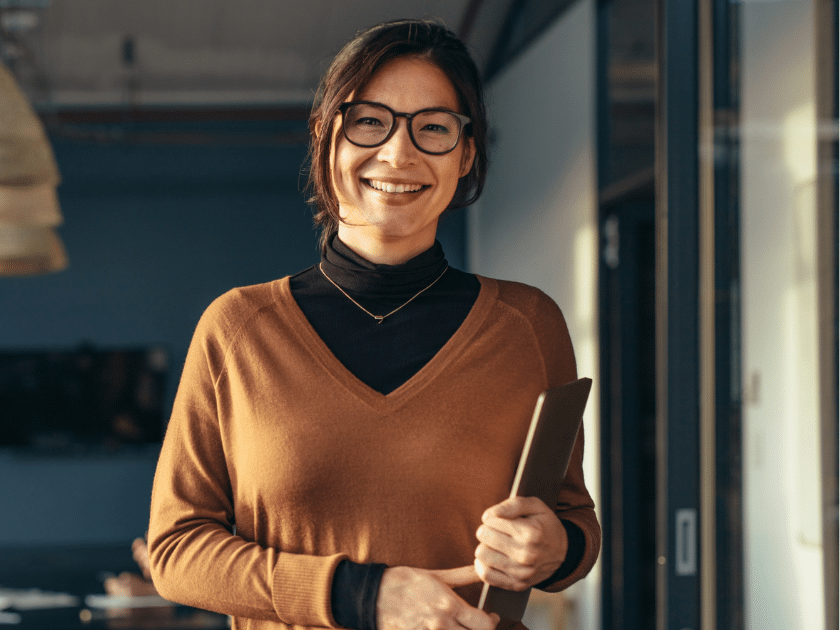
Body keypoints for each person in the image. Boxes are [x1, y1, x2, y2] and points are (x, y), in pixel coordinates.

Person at [146, 19, 600, 630]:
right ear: (326, 137)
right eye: (369, 121)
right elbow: (176, 552)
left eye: (433, 127)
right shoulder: (238, 329)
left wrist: (555, 549)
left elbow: (574, 522)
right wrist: (362, 595)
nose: (398, 153)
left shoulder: (527, 324)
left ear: (466, 154)